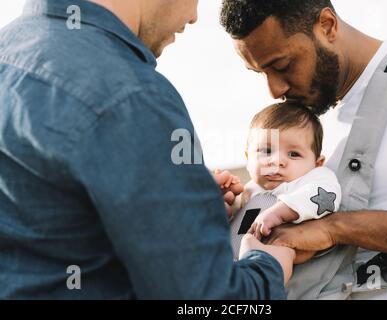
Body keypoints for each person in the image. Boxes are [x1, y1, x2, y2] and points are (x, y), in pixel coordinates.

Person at [0, 0, 295, 299]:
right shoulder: (134, 97)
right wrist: (269, 265)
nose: (194, 16)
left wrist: (182, 208)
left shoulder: (8, 47)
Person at [220, 0, 387, 299]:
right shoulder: (312, 115)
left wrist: (334, 228)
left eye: (282, 65)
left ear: (327, 25)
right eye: (259, 73)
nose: (274, 90)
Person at [235, 103, 341, 240]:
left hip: (272, 256)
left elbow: (326, 196)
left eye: (293, 154)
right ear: (248, 159)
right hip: (232, 256)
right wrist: (226, 199)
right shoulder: (250, 188)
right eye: (266, 151)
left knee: (284, 251)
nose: (276, 161)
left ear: (317, 163)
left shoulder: (314, 178)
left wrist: (278, 213)